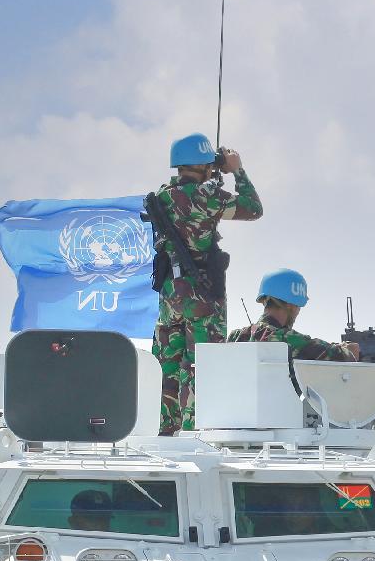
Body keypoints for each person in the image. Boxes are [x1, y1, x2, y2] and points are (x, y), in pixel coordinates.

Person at [145, 133, 263, 435]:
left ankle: (164, 432)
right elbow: (253, 208)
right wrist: (236, 170)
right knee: (201, 367)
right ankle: (194, 433)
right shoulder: (207, 197)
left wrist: (212, 172)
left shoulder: (162, 196)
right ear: (202, 163)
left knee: (166, 369)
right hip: (203, 299)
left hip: (170, 301)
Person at [227, 269, 357, 360]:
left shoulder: (235, 336)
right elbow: (349, 354)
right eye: (299, 306)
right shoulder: (290, 340)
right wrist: (348, 347)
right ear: (291, 304)